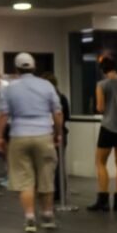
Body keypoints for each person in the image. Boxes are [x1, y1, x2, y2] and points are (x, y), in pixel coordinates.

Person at [0, 52, 63, 233]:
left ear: (16, 69)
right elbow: (57, 112)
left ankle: (30, 218)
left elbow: (3, 114)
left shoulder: (10, 88)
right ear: (34, 67)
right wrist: (58, 133)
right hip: (43, 135)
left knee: (24, 179)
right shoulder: (47, 85)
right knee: (46, 175)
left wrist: (0, 137)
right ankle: (48, 215)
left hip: (19, 136)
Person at [87, 56, 117, 212]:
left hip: (108, 127)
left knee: (100, 162)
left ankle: (103, 200)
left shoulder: (102, 84)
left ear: (102, 69)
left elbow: (100, 108)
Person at [42, 73, 71, 202]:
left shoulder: (43, 99)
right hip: (61, 133)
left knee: (47, 164)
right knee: (59, 163)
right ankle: (61, 193)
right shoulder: (62, 98)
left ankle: (49, 192)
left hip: (46, 133)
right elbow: (67, 116)